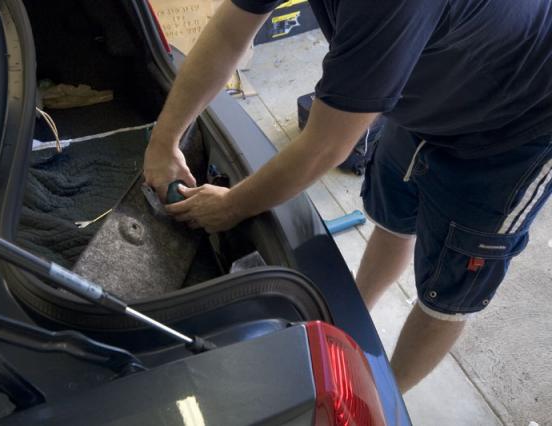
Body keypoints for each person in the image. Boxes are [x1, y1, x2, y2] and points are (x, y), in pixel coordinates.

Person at [143, 0, 552, 393]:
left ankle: (385, 396)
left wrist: (231, 206)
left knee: (447, 292)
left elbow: (324, 147)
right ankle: (350, 324)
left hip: (515, 130)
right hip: (436, 90)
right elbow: (230, 32)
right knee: (393, 219)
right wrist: (165, 138)